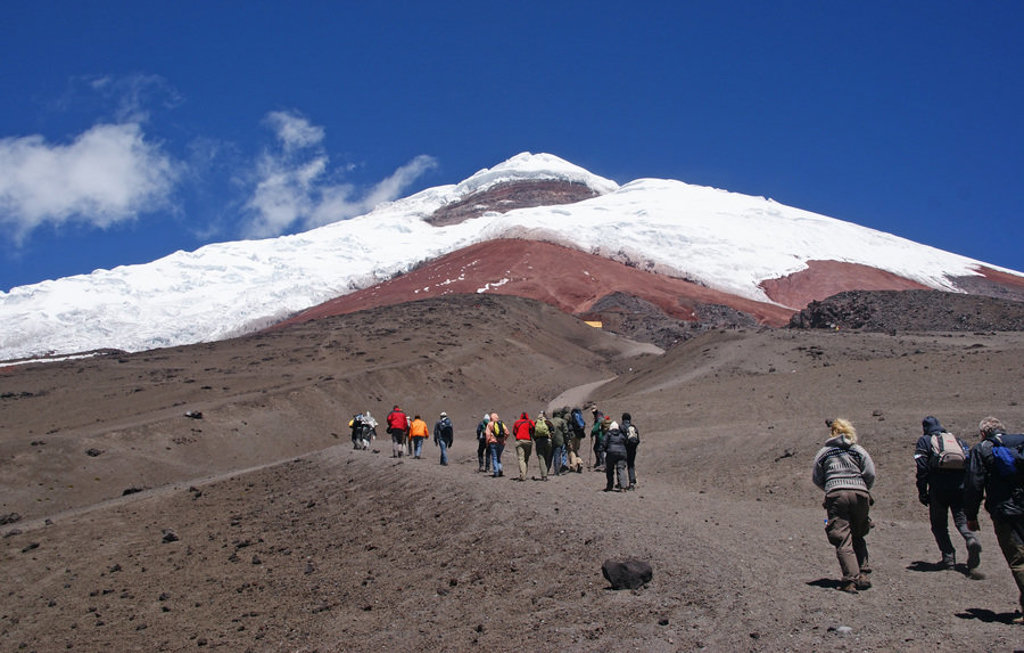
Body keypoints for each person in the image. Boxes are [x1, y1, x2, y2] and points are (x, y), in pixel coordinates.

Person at [964, 416, 1024, 622]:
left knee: (1018, 559)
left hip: (1004, 511)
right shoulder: (1021, 442)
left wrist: (971, 516)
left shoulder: (982, 449)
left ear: (983, 433)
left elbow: (974, 484)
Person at [812, 417, 876, 594]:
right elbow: (869, 472)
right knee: (858, 532)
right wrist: (863, 488)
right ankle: (863, 573)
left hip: (836, 494)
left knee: (842, 537)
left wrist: (830, 488)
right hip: (860, 493)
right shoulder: (857, 450)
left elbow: (817, 477)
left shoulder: (825, 452)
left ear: (832, 432)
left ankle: (850, 580)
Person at [914, 416, 981, 573]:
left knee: (939, 525)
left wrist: (922, 491)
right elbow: (969, 463)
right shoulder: (956, 440)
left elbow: (922, 468)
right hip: (960, 487)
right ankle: (970, 538)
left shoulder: (925, 441)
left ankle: (948, 558)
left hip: (938, 489)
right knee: (961, 520)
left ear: (925, 428)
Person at [602, 421, 629, 492]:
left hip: (611, 453)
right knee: (621, 469)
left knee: (610, 470)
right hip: (622, 453)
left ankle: (610, 486)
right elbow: (626, 442)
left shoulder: (608, 434)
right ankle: (623, 486)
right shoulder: (621, 435)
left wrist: (605, 449)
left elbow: (604, 443)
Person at [512, 412, 536, 482]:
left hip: (519, 441)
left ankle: (523, 475)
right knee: (526, 458)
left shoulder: (517, 422)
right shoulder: (530, 422)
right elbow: (533, 429)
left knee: (521, 458)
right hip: (528, 441)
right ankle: (524, 474)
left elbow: (514, 432)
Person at [621, 412, 640, 490]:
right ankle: (632, 483)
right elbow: (638, 439)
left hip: (624, 449)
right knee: (631, 465)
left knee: (621, 466)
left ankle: (622, 483)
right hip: (633, 449)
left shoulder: (621, 427)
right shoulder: (634, 427)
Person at [485, 413, 507, 478]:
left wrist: (487, 442)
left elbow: (487, 435)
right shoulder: (501, 424)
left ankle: (496, 472)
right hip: (501, 443)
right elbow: (507, 433)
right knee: (498, 457)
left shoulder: (490, 424)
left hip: (493, 442)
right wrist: (503, 439)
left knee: (494, 457)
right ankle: (500, 469)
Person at [549, 408, 569, 476]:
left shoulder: (549, 421)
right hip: (559, 441)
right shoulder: (562, 421)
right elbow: (566, 432)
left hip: (550, 441)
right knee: (557, 456)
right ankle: (556, 472)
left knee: (549, 457)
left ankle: (546, 471)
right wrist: (567, 441)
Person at [533, 411, 551, 481]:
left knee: (541, 457)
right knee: (547, 457)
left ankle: (544, 475)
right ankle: (546, 472)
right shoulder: (548, 422)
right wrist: (550, 437)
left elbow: (532, 432)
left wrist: (535, 439)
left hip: (539, 442)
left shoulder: (535, 423)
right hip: (547, 441)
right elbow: (553, 430)